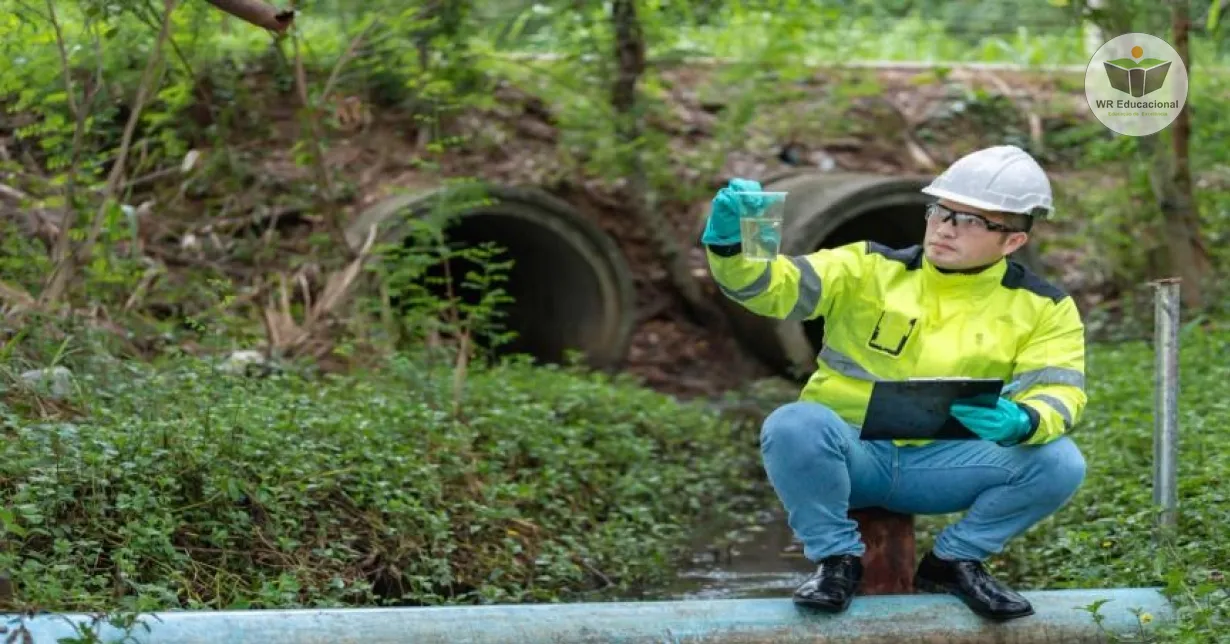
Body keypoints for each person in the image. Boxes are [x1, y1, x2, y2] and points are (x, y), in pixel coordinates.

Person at [700, 145, 1088, 621]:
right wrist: (733, 246)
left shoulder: (1043, 306)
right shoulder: (867, 267)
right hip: (852, 454)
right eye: (941, 211)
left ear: (1011, 242)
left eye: (972, 221)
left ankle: (954, 560)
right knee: (793, 424)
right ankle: (837, 562)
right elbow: (769, 288)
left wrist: (1024, 420)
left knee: (1059, 461)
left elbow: (1060, 390)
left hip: (946, 466)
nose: (946, 227)